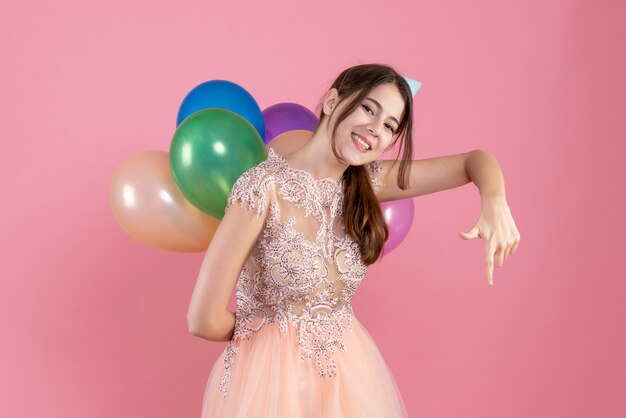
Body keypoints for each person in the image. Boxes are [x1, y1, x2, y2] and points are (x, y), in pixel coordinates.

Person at [186, 63, 521, 417]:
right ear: (332, 100)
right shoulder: (262, 188)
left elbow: (475, 162)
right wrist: (267, 337)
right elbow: (203, 319)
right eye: (368, 109)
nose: (375, 130)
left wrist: (494, 201)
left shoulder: (369, 182)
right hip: (272, 388)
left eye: (390, 126)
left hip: (345, 381)